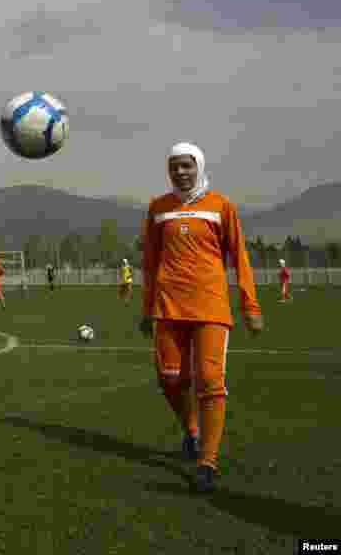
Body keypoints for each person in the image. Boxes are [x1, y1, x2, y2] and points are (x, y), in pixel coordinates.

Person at [140, 142, 263, 493]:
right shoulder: (157, 209)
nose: (180, 172)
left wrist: (250, 306)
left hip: (210, 306)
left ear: (199, 167)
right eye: (174, 166)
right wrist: (147, 307)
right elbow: (150, 262)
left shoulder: (220, 206)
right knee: (169, 378)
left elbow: (239, 256)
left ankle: (207, 461)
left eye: (186, 166)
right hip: (168, 306)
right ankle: (192, 431)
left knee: (210, 379)